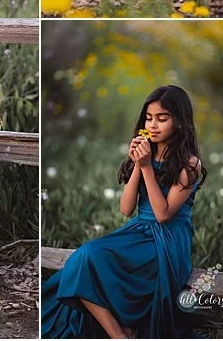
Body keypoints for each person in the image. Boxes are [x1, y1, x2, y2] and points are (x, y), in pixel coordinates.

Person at [41, 85, 207, 339]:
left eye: (162, 119)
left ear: (181, 122)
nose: (153, 125)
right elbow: (126, 208)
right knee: (84, 257)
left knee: (92, 258)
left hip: (168, 240)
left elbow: (163, 214)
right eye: (149, 118)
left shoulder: (189, 164)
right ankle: (119, 334)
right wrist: (139, 166)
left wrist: (147, 167)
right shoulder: (145, 153)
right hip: (139, 229)